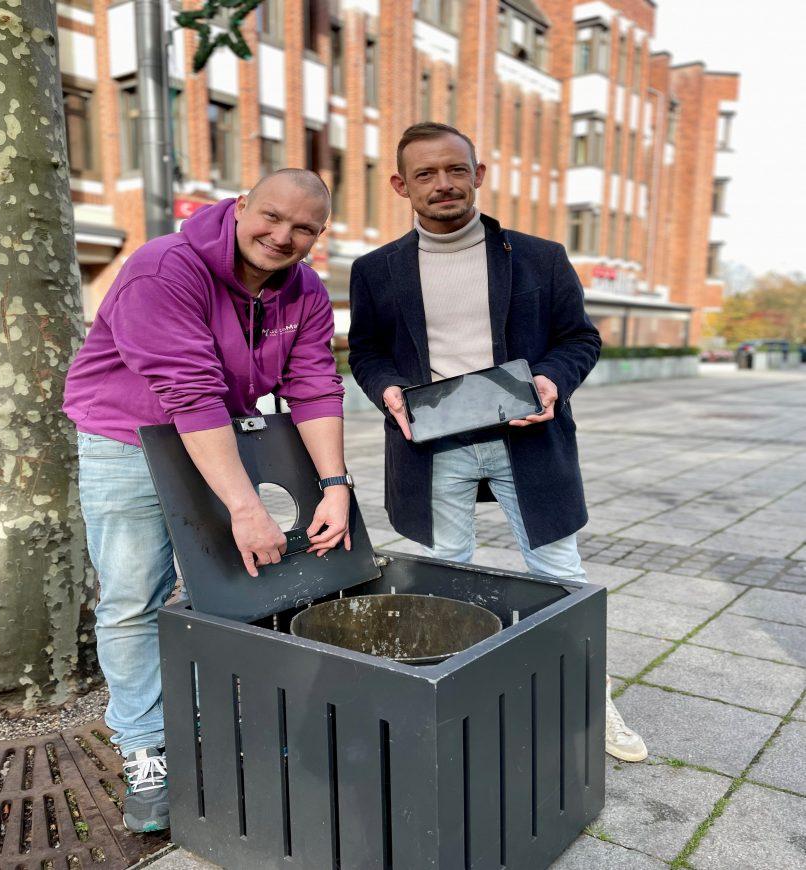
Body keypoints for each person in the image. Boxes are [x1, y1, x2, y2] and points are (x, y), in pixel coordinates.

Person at [63, 170, 353, 832]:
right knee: (134, 596)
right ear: (240, 206)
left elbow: (312, 381)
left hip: (223, 437)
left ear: (319, 235)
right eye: (271, 217)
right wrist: (246, 507)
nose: (283, 236)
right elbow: (189, 392)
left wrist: (336, 485)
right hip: (127, 440)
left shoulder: (303, 290)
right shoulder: (164, 268)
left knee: (236, 586)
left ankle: (218, 718)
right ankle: (145, 747)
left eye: (304, 228)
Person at [348, 123, 647, 763]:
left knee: (560, 576)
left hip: (529, 442)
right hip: (431, 445)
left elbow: (580, 340)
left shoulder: (541, 256)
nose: (443, 183)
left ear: (479, 174)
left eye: (456, 169)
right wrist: (389, 389)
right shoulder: (374, 271)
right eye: (425, 174)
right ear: (402, 186)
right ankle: (452, 704)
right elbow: (367, 351)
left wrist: (550, 382)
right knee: (442, 581)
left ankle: (592, 702)